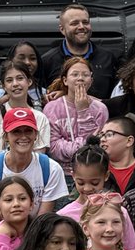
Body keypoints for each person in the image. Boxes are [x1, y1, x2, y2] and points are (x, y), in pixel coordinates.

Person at [0, 108, 69, 223]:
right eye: (16, 131)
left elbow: (41, 223)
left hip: (36, 236)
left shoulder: (51, 169)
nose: (23, 136)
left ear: (36, 135)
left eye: (28, 131)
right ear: (5, 137)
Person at [44, 57, 109, 185]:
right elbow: (54, 149)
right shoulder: (52, 108)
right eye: (75, 74)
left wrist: (83, 111)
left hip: (92, 175)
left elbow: (96, 147)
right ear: (65, 80)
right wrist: (80, 147)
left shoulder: (100, 109)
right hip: (61, 175)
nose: (80, 78)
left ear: (91, 80)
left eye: (85, 75)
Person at [40, 3, 118, 96]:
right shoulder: (47, 61)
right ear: (62, 29)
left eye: (85, 22)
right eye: (74, 23)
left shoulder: (108, 58)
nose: (81, 27)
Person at [0, 59, 51, 160]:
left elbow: (39, 157)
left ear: (29, 81)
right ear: (3, 86)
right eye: (9, 80)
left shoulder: (40, 118)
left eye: (20, 78)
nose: (15, 84)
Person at [0, 41, 48, 108]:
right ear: (11, 60)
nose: (28, 62)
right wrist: (0, 106)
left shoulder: (45, 94)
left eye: (32, 58)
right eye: (21, 58)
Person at [97, 117, 135, 194]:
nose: (102, 139)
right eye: (101, 135)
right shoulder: (95, 168)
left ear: (129, 141)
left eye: (109, 134)